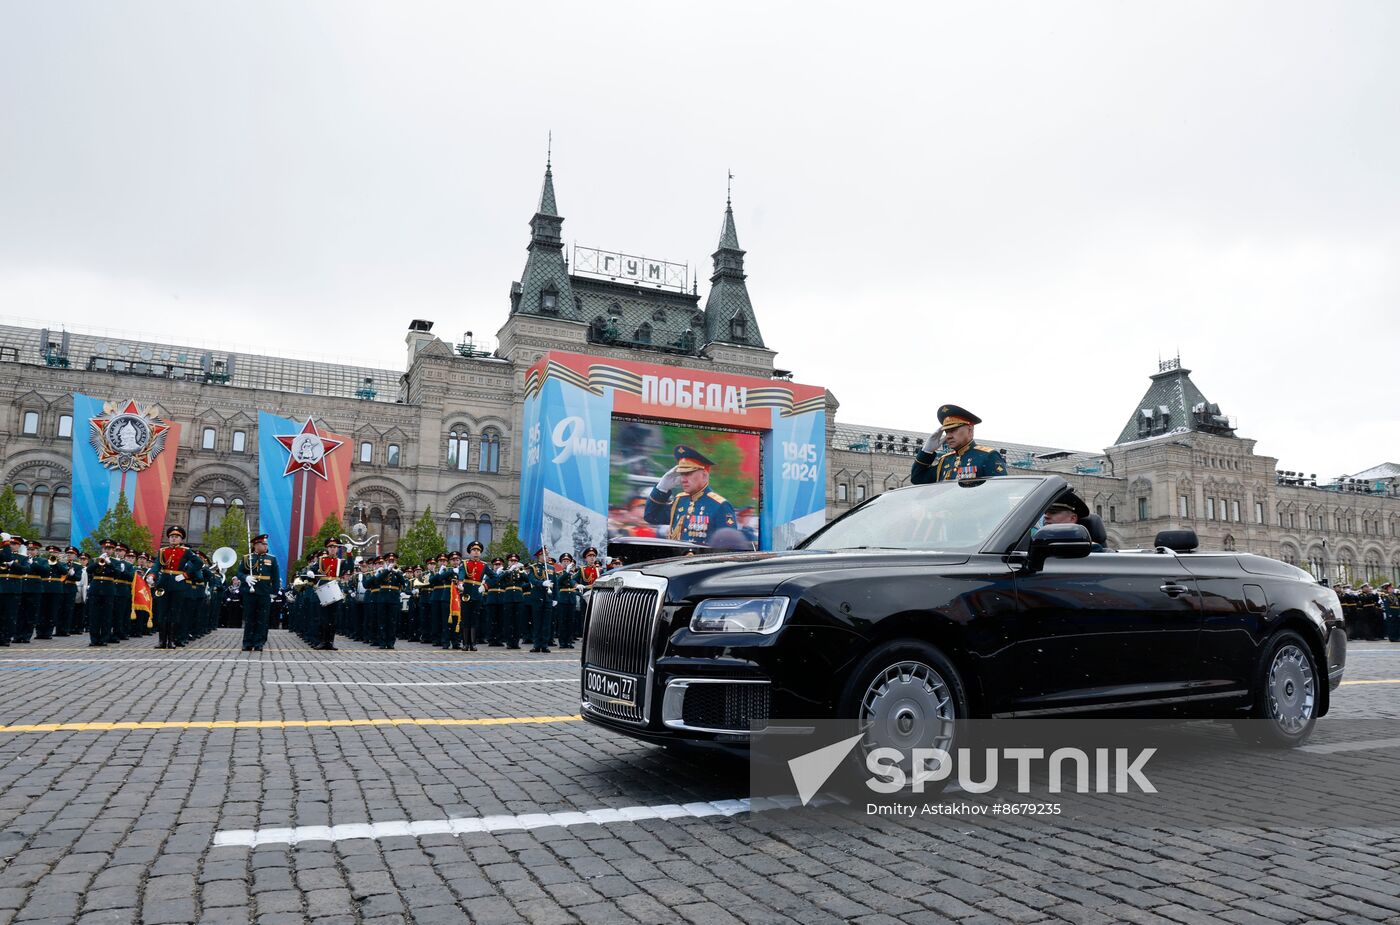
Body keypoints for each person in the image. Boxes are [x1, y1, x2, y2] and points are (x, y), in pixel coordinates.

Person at [643, 445, 739, 545]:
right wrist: (662, 488)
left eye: (688, 473)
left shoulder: (720, 506)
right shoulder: (680, 500)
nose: (683, 479)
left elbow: (729, 545)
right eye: (682, 474)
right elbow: (650, 516)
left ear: (704, 475)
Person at [911, 404, 1008, 484]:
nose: (948, 436)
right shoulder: (946, 460)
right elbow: (917, 479)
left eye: (953, 430)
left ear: (970, 430)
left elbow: (1000, 493)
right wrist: (926, 452)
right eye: (946, 431)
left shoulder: (987, 456)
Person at [154, 525, 200, 649]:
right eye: (172, 537)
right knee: (162, 612)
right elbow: (157, 565)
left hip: (178, 583)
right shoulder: (163, 551)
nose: (173, 539)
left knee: (175, 612)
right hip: (164, 583)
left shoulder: (186, 551)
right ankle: (161, 641)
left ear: (181, 539)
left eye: (176, 537)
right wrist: (152, 575)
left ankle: (171, 640)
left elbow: (199, 563)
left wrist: (186, 574)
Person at [238, 534, 279, 652]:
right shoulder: (247, 558)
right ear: (256, 545)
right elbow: (239, 573)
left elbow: (275, 577)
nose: (266, 546)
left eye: (266, 544)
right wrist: (246, 578)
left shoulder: (272, 558)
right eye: (263, 544)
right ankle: (247, 642)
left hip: (264, 592)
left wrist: (274, 592)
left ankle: (259, 642)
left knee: (262, 618)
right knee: (249, 617)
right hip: (250, 592)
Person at [525, 547, 553, 653]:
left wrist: (555, 599)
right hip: (537, 597)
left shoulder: (551, 568)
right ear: (539, 556)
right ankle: (537, 644)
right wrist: (542, 583)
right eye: (545, 555)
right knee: (537, 622)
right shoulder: (533, 567)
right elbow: (531, 579)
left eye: (547, 554)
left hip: (548, 598)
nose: (547, 556)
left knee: (546, 623)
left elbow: (556, 583)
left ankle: (545, 645)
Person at [460, 541, 486, 652]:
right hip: (466, 594)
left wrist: (485, 586)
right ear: (470, 552)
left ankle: (473, 643)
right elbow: (461, 574)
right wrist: (460, 583)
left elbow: (494, 577)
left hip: (477, 595)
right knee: (466, 619)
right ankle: (466, 643)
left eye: (478, 551)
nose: (476, 552)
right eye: (474, 550)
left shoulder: (484, 565)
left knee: (475, 619)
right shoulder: (465, 564)